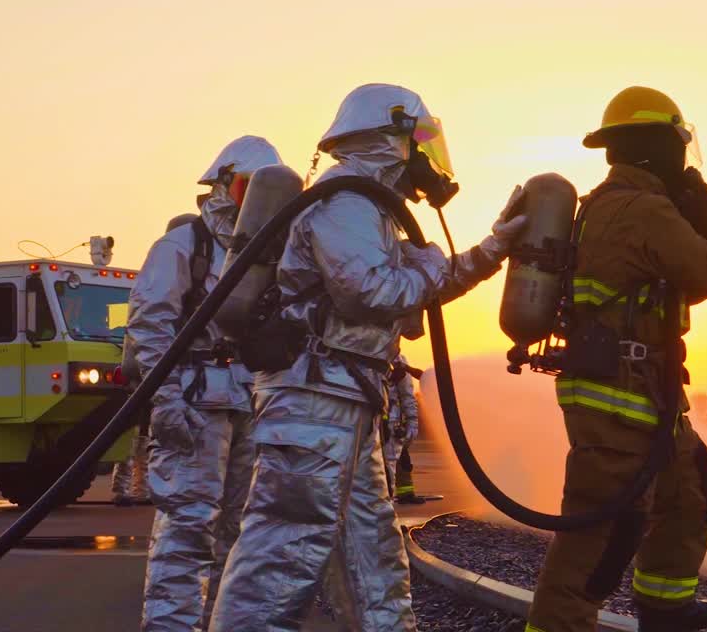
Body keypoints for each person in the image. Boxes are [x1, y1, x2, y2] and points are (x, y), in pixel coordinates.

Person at [210, 83, 527, 632]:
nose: (430, 157)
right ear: (392, 137)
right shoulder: (347, 200)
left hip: (343, 399)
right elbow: (374, 292)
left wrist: (493, 248)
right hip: (314, 400)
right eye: (422, 140)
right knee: (283, 552)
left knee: (371, 556)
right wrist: (427, 262)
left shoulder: (370, 208)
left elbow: (420, 284)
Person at [524, 86, 707, 632]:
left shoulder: (621, 205)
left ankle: (664, 610)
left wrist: (702, 219)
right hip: (618, 398)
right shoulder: (640, 210)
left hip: (644, 392)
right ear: (655, 145)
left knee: (688, 489)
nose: (686, 158)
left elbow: (684, 281)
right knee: (597, 549)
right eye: (678, 144)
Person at [130, 136, 284, 632]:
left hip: (250, 404)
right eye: (246, 188)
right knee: (188, 529)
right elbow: (151, 326)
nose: (253, 201)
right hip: (194, 403)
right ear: (221, 185)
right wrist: (166, 400)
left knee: (242, 534)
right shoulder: (184, 246)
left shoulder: (267, 255)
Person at [113, 213, 200, 507]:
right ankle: (132, 487)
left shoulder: (163, 278)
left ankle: (133, 487)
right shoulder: (165, 276)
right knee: (142, 436)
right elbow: (143, 332)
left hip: (147, 374)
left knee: (139, 435)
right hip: (148, 375)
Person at [383, 354, 423, 504]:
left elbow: (407, 395)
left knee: (394, 463)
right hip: (367, 422)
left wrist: (412, 422)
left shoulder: (398, 361)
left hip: (391, 425)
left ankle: (392, 500)